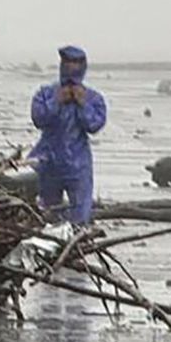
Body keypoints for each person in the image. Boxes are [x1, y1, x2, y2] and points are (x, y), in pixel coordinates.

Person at [30, 45, 108, 224]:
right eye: (67, 62)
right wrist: (56, 101)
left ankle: (75, 245)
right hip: (48, 161)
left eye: (75, 63)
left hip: (78, 164)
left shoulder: (93, 98)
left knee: (80, 216)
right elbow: (38, 119)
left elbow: (94, 125)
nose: (71, 67)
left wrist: (82, 104)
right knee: (47, 215)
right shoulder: (46, 93)